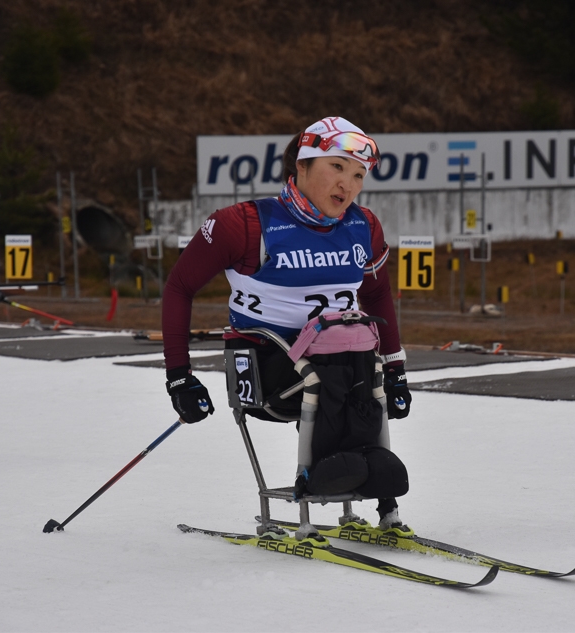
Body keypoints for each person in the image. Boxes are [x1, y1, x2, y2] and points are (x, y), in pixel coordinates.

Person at [162, 117, 413, 530]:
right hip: (266, 366)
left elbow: (376, 295)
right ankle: (318, 483)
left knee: (366, 377)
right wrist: (178, 377)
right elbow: (179, 286)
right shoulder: (244, 224)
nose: (347, 185)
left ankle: (381, 499)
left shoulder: (363, 226)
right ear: (301, 164)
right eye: (336, 167)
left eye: (357, 175)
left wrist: (397, 367)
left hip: (340, 360)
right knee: (336, 376)